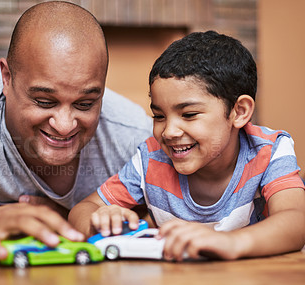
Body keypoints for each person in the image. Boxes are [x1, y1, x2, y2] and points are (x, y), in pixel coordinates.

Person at [0, 2, 152, 260]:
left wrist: (73, 220)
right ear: (7, 78)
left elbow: (181, 212)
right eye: (45, 102)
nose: (65, 124)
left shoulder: (130, 131)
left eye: (85, 104)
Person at [69, 31, 305, 261]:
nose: (169, 132)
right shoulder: (152, 159)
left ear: (239, 112)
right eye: (159, 116)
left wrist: (231, 242)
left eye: (189, 114)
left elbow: (296, 220)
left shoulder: (269, 151)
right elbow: (83, 208)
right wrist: (99, 220)